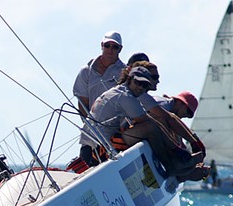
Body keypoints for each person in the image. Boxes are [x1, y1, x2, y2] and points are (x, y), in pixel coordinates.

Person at [89, 66, 205, 180]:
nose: (140, 87)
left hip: (101, 142)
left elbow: (168, 119)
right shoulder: (126, 97)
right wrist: (177, 149)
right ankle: (171, 166)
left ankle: (175, 166)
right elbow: (154, 123)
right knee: (151, 127)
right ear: (129, 79)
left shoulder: (123, 91)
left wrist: (188, 144)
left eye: (144, 85)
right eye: (137, 82)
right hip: (100, 148)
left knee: (152, 126)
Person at [73, 31, 127, 166]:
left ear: (120, 49)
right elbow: (82, 104)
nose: (110, 50)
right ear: (102, 45)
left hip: (116, 133)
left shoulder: (125, 72)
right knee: (86, 167)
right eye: (107, 45)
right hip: (91, 134)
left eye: (114, 47)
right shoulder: (86, 71)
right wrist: (93, 127)